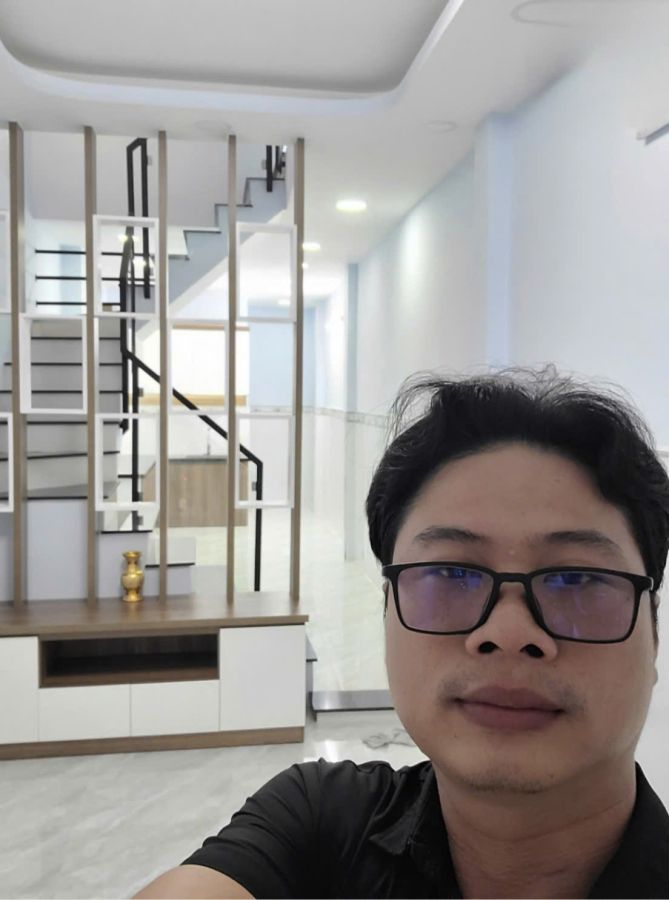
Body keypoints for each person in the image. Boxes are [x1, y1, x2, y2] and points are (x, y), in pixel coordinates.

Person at [135, 365, 669, 899]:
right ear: (387, 610)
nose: (508, 632)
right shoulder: (317, 822)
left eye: (576, 578)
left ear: (654, 631)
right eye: (451, 573)